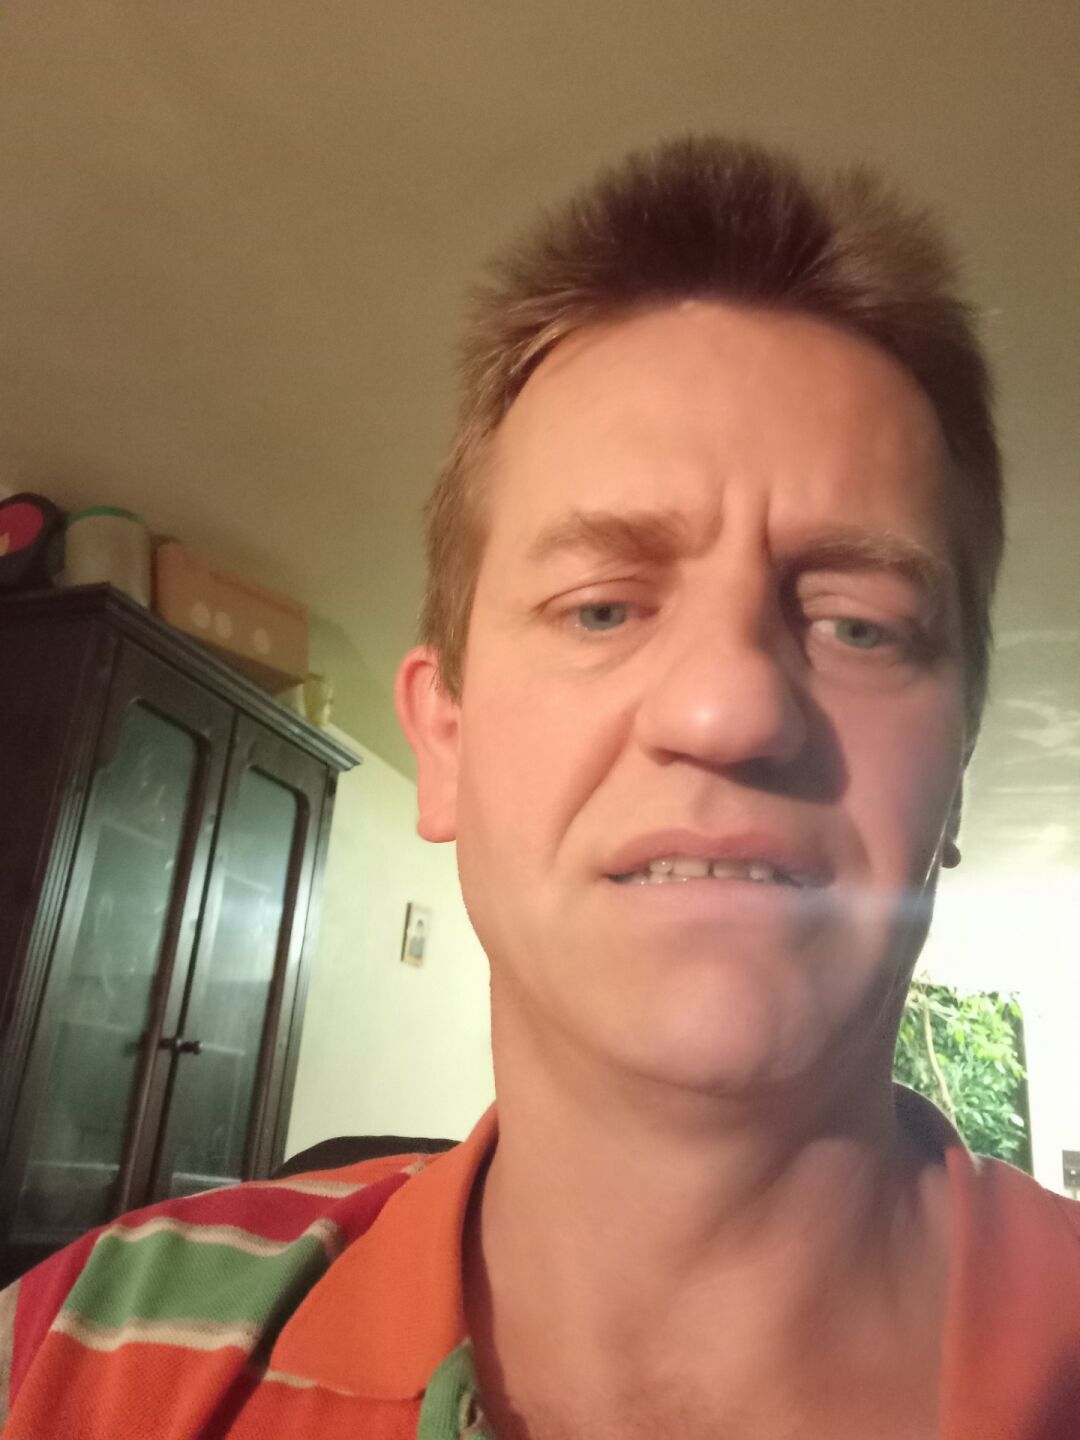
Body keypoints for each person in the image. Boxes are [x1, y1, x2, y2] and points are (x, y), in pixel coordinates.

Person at [2, 136, 1078, 1440]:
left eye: (860, 625)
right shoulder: (66, 1357)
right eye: (602, 607)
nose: (727, 709)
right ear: (443, 743)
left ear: (957, 776)